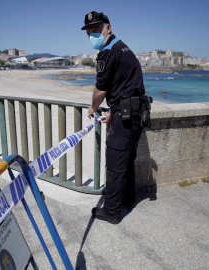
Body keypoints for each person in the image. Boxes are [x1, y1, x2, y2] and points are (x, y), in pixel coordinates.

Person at [81, 11, 146, 224]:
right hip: (134, 112)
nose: (93, 35)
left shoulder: (108, 52)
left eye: (96, 30)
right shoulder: (122, 46)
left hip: (126, 116)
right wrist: (113, 110)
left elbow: (101, 89)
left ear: (108, 27)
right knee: (126, 159)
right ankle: (128, 198)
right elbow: (125, 85)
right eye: (90, 32)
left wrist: (93, 107)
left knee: (116, 163)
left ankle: (111, 211)